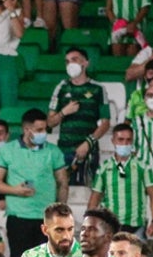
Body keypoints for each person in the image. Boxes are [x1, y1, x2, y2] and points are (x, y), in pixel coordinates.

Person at [0, 108, 69, 257]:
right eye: (39, 130)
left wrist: (61, 213)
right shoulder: (7, 151)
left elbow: (63, 183)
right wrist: (15, 190)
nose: (43, 133)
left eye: (45, 129)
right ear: (26, 129)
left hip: (47, 220)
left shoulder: (53, 152)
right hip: (19, 219)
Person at [47, 47, 111, 186]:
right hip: (64, 151)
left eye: (74, 60)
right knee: (63, 192)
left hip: (89, 152)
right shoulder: (61, 88)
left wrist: (88, 143)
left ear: (85, 63)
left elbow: (106, 123)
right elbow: (50, 122)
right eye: (67, 61)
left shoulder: (98, 89)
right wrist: (64, 112)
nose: (70, 64)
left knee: (88, 192)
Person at [88, 123, 153, 237]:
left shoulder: (143, 166)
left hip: (136, 227)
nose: (125, 144)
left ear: (132, 141)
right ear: (113, 141)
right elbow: (95, 197)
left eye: (128, 140)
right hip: (110, 226)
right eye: (120, 140)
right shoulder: (104, 168)